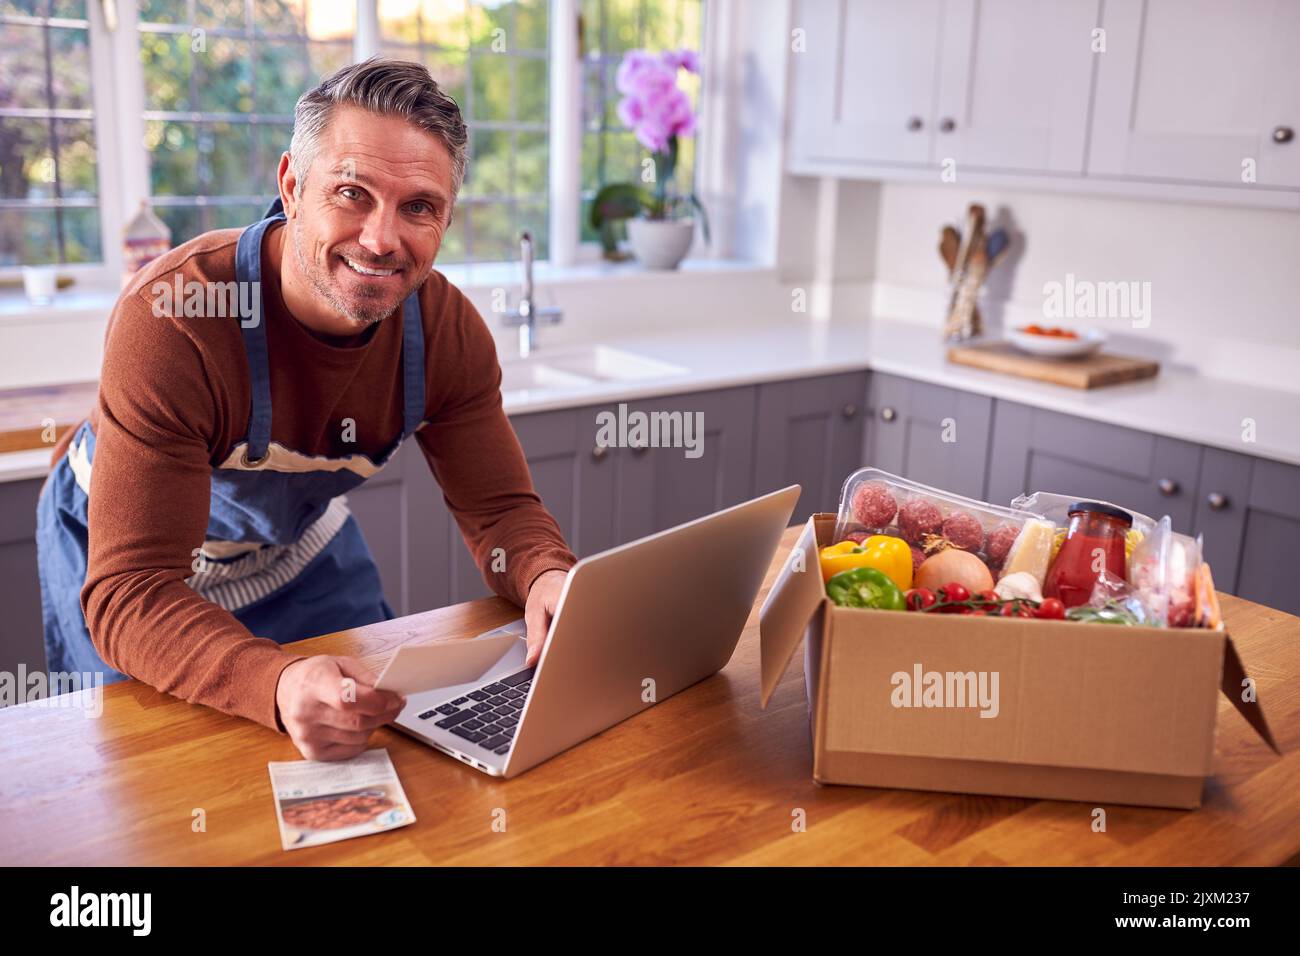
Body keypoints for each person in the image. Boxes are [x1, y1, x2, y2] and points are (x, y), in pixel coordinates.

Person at [36, 57, 576, 761]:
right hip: (131, 569)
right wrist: (277, 679)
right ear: (292, 186)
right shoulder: (175, 319)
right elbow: (132, 589)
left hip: (293, 547)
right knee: (165, 781)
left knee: (374, 735)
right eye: (352, 193)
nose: (383, 239)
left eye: (418, 206)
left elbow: (502, 514)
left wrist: (547, 576)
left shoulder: (446, 333)